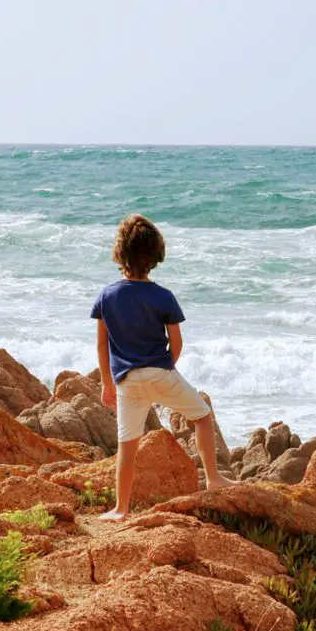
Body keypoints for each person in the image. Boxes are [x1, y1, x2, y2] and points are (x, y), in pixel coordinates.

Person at [91, 213, 232, 521]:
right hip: (160, 372)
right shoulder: (164, 297)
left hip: (127, 381)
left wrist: (106, 383)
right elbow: (176, 342)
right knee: (203, 417)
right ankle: (213, 478)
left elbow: (102, 345)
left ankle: (120, 508)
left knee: (127, 445)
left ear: (120, 254)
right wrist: (167, 369)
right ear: (155, 256)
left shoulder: (106, 296)